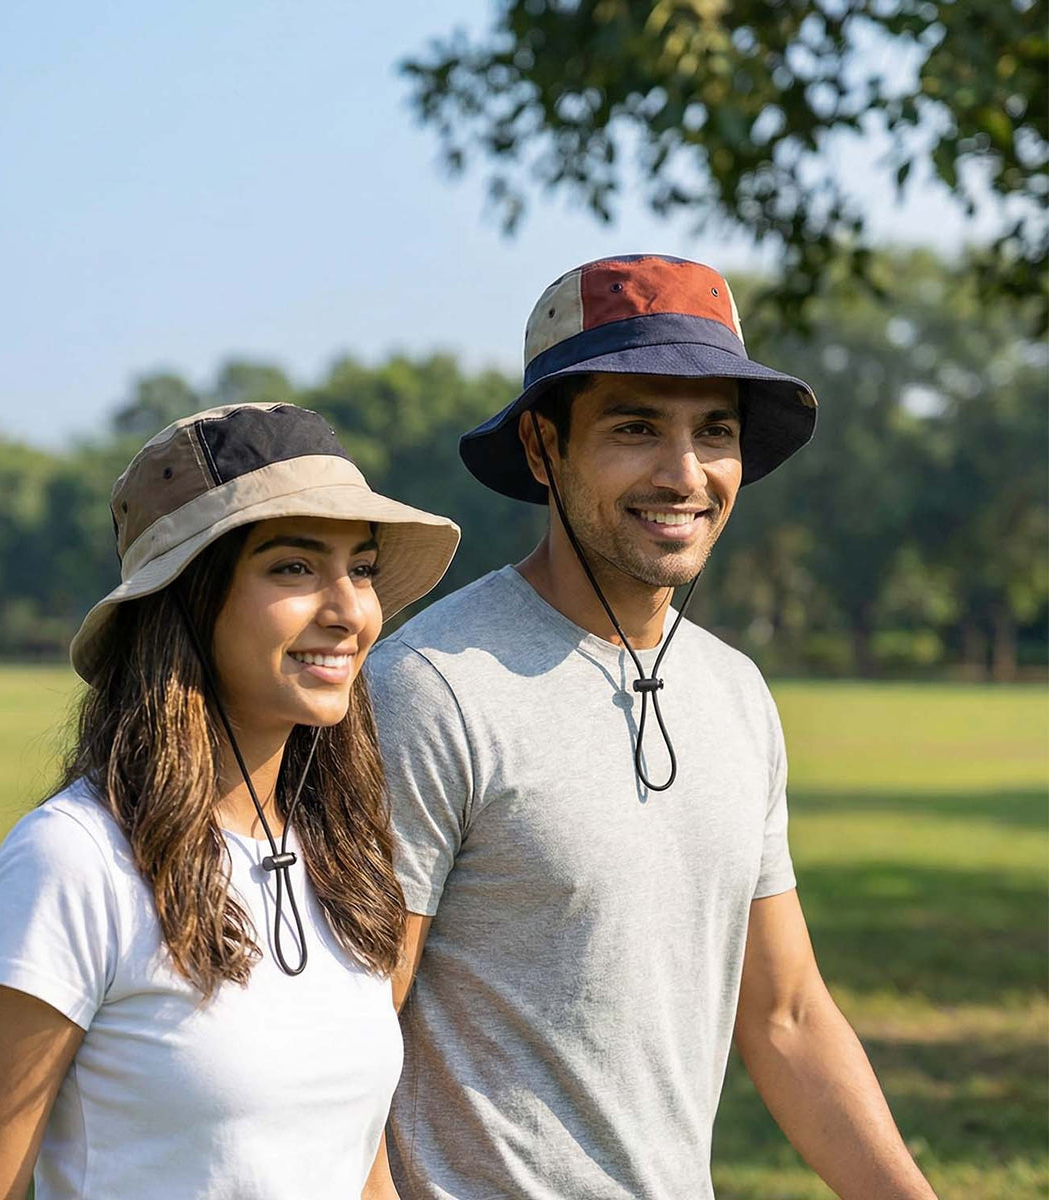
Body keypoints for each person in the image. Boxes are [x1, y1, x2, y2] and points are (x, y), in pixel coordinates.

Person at [366, 255, 938, 1199]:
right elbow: (346, 1042)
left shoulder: (736, 692)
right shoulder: (432, 688)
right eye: (635, 428)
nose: (685, 474)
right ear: (545, 449)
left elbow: (787, 1015)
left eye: (714, 431)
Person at [0, 402, 459, 1200]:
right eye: (293, 567)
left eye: (362, 568)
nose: (349, 610)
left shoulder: (343, 859)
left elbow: (356, 1161)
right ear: (188, 600)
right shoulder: (70, 864)